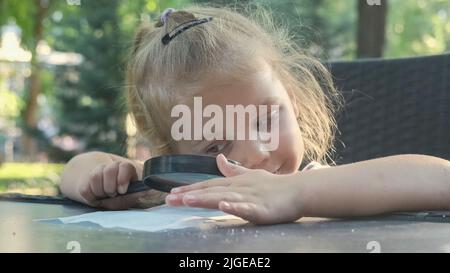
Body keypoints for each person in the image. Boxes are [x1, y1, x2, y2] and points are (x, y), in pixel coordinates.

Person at [60, 5, 450, 224]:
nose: (257, 153)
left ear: (293, 102)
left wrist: (299, 194)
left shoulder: (324, 190)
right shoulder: (173, 196)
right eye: (215, 142)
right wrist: (99, 174)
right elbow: (74, 173)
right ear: (173, 156)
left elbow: (441, 180)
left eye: (265, 120)